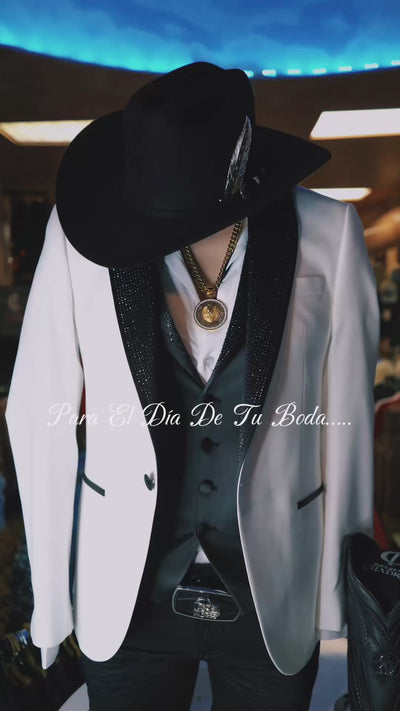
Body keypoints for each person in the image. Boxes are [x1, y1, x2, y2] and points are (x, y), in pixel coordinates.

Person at [5, 61, 380, 710]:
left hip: (274, 586)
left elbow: (346, 417)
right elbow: (39, 410)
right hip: (124, 593)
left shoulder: (329, 231)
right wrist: (51, 602)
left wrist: (337, 594)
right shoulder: (79, 234)